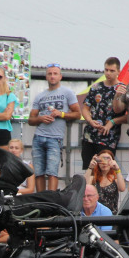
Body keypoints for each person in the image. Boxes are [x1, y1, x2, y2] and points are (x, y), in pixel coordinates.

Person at [28, 62, 81, 192]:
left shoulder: (67, 92)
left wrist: (61, 113)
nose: (52, 76)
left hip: (55, 138)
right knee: (39, 172)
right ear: (46, 77)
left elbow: (78, 114)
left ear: (60, 76)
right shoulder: (40, 96)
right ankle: (40, 199)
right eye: (50, 74)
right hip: (39, 136)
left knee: (52, 172)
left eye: (55, 74)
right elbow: (30, 119)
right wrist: (40, 118)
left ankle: (51, 200)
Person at [80, 57, 126, 170]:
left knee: (105, 170)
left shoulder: (123, 89)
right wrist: (90, 121)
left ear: (118, 72)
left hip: (108, 138)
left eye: (112, 71)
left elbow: (127, 115)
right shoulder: (96, 87)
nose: (108, 73)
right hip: (90, 136)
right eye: (106, 70)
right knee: (88, 169)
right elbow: (85, 108)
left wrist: (112, 122)